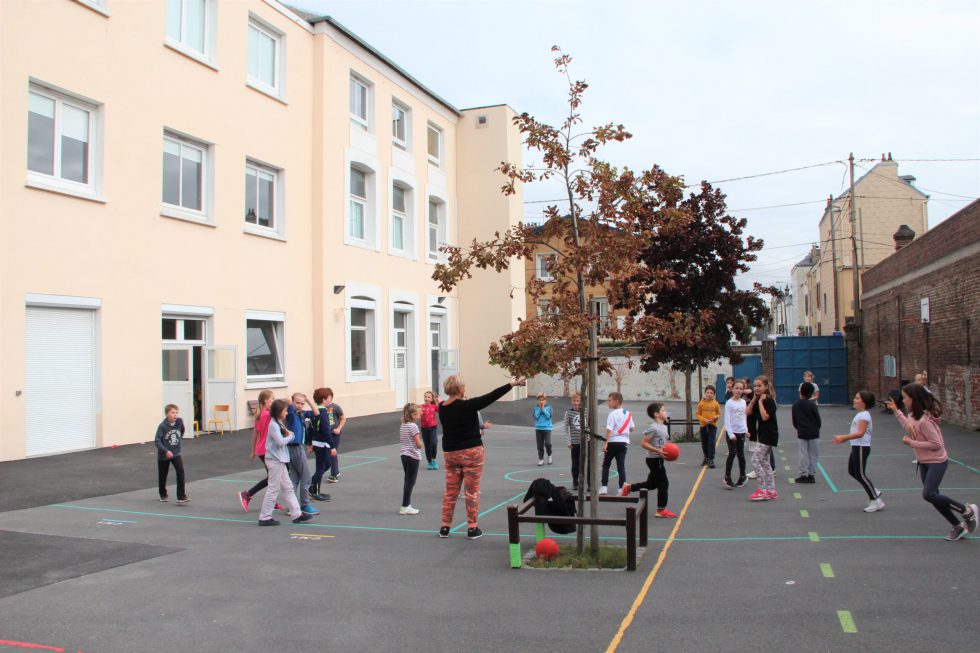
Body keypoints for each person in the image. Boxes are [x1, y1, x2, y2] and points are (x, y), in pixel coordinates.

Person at [438, 375, 526, 539]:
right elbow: (492, 396)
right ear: (459, 389)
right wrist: (512, 384)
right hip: (471, 452)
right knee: (471, 492)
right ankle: (472, 528)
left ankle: (445, 527)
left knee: (451, 492)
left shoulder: (442, 407)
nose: (465, 389)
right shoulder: (468, 406)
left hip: (450, 453)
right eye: (463, 387)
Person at [886, 384, 978, 541]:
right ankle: (957, 525)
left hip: (937, 461)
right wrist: (897, 411)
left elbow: (936, 444)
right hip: (924, 462)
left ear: (913, 399)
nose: (903, 399)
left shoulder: (924, 420)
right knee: (932, 496)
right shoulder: (913, 414)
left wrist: (912, 443)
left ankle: (967, 511)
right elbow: (910, 429)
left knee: (929, 494)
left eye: (905, 397)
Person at [257, 399, 312, 526]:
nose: (287, 413)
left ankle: (297, 514)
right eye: (285, 411)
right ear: (278, 412)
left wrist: (288, 434)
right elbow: (280, 442)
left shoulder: (279, 423)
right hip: (274, 460)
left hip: (280, 460)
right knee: (273, 488)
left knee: (288, 488)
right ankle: (265, 517)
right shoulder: (273, 425)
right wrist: (291, 436)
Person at [621, 402, 676, 517]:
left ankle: (629, 487)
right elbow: (643, 443)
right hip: (654, 460)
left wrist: (670, 450)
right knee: (664, 484)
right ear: (656, 414)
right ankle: (661, 510)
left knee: (651, 484)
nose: (666, 412)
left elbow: (663, 444)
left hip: (659, 459)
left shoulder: (664, 426)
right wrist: (657, 451)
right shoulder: (653, 428)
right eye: (663, 410)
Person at [833, 391, 883, 513]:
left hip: (862, 447)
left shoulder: (864, 415)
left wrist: (844, 437)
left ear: (864, 402)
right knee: (852, 471)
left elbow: (860, 433)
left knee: (860, 474)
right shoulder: (860, 414)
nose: (854, 400)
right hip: (856, 446)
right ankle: (873, 490)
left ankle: (875, 500)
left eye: (857, 398)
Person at [239, 390, 275, 512]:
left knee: (274, 477)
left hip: (261, 449)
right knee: (273, 477)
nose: (274, 401)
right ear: (266, 401)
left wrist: (253, 450)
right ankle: (248, 494)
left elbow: (255, 433)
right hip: (266, 450)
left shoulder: (260, 414)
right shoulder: (267, 415)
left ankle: (272, 501)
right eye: (272, 399)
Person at [284, 393, 319, 516]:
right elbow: (287, 402)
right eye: (297, 403)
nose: (299, 405)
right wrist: (289, 402)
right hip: (295, 448)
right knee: (306, 477)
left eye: (302, 403)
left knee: (294, 478)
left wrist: (308, 400)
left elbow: (316, 413)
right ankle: (305, 504)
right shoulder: (291, 414)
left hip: (294, 448)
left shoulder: (302, 414)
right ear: (292, 402)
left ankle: (291, 505)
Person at [748, 376, 778, 501]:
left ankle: (762, 490)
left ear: (766, 386)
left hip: (769, 435)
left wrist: (760, 402)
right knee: (765, 464)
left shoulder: (769, 401)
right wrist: (754, 400)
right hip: (763, 435)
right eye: (755, 386)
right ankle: (771, 491)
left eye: (759, 386)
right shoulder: (758, 399)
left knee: (755, 460)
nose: (756, 388)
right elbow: (747, 412)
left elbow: (765, 417)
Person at [600, 392, 634, 495]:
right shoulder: (628, 413)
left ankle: (604, 487)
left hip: (613, 442)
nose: (608, 403)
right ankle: (621, 489)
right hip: (623, 442)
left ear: (616, 401)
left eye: (610, 400)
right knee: (621, 466)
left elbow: (609, 429)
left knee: (606, 464)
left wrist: (606, 443)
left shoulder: (612, 414)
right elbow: (632, 428)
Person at [155, 404, 188, 504]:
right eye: (172, 412)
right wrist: (166, 451)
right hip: (164, 455)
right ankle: (163, 494)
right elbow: (157, 441)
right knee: (163, 475)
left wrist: (177, 441)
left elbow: (182, 431)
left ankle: (181, 496)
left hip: (176, 452)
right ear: (167, 414)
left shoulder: (179, 421)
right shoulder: (162, 426)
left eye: (176, 412)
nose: (175, 415)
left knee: (180, 472)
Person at [308, 388, 336, 502]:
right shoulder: (323, 413)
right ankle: (314, 489)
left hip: (317, 443)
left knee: (327, 464)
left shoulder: (314, 412)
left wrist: (309, 443)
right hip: (322, 444)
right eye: (329, 397)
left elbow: (310, 429)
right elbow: (326, 431)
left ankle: (313, 487)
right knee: (320, 468)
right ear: (324, 399)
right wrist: (332, 446)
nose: (331, 399)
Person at [792, 382, 821, 484]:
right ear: (811, 393)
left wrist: (799, 428)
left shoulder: (795, 405)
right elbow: (818, 419)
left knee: (803, 454)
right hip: (814, 432)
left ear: (801, 392)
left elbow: (794, 421)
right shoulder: (812, 405)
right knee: (813, 455)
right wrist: (816, 428)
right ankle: (811, 475)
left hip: (802, 432)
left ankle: (803, 474)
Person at [399, 403, 423, 515]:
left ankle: (406, 505)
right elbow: (418, 444)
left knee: (407, 480)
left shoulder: (403, 425)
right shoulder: (413, 426)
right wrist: (421, 445)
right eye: (419, 413)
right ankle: (405, 505)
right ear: (413, 415)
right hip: (413, 456)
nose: (421, 414)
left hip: (404, 454)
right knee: (410, 481)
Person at [723, 380, 748, 489]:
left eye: (741, 389)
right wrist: (730, 433)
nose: (738, 390)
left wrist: (746, 429)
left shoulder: (743, 402)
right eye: (736, 388)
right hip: (732, 433)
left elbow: (744, 417)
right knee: (732, 453)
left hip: (741, 432)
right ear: (732, 389)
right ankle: (727, 477)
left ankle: (742, 476)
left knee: (741, 454)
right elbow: (727, 420)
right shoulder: (729, 403)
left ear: (743, 390)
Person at [564, 392, 588, 492]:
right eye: (574, 400)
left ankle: (586, 482)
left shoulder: (586, 412)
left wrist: (589, 438)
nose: (576, 403)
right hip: (575, 442)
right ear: (571, 401)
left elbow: (589, 426)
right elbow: (565, 427)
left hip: (585, 442)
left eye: (577, 400)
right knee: (575, 463)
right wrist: (568, 441)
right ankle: (575, 482)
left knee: (585, 463)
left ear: (581, 401)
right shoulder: (568, 413)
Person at [321, 388, 346, 483]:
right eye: (324, 398)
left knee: (332, 452)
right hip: (324, 433)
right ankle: (335, 470)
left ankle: (334, 474)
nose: (326, 400)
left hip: (334, 433)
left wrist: (338, 429)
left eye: (327, 398)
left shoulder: (335, 407)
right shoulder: (320, 408)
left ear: (331, 398)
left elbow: (343, 418)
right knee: (325, 453)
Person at [696, 385, 721, 469]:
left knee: (711, 442)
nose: (709, 394)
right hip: (703, 425)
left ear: (714, 394)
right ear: (705, 393)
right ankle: (706, 457)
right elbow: (698, 414)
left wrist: (716, 417)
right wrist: (704, 420)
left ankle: (711, 459)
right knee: (704, 442)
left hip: (712, 425)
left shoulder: (716, 404)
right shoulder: (701, 403)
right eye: (708, 392)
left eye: (711, 393)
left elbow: (718, 414)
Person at [420, 391, 440, 470]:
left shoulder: (433, 406)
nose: (426, 398)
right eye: (425, 397)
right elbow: (416, 414)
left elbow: (441, 411)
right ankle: (429, 462)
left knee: (434, 443)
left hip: (432, 427)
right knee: (427, 445)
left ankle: (434, 459)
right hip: (424, 428)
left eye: (428, 397)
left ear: (431, 399)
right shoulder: (421, 406)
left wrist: (438, 401)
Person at [533, 393, 554, 466]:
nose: (541, 401)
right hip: (538, 428)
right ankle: (541, 459)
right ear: (538, 401)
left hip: (547, 428)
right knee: (540, 445)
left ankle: (549, 455)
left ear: (545, 400)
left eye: (543, 400)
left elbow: (548, 417)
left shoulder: (549, 407)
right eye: (540, 400)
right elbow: (536, 417)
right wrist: (539, 409)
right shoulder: (535, 408)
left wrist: (543, 409)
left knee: (547, 443)